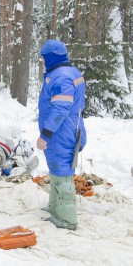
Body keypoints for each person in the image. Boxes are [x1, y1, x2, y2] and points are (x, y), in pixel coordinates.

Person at [36, 39, 87, 230]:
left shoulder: (61, 77)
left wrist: (45, 135)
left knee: (63, 173)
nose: (42, 62)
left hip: (60, 133)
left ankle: (66, 219)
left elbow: (60, 110)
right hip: (69, 128)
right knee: (57, 172)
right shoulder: (70, 72)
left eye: (43, 58)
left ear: (51, 58)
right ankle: (56, 209)